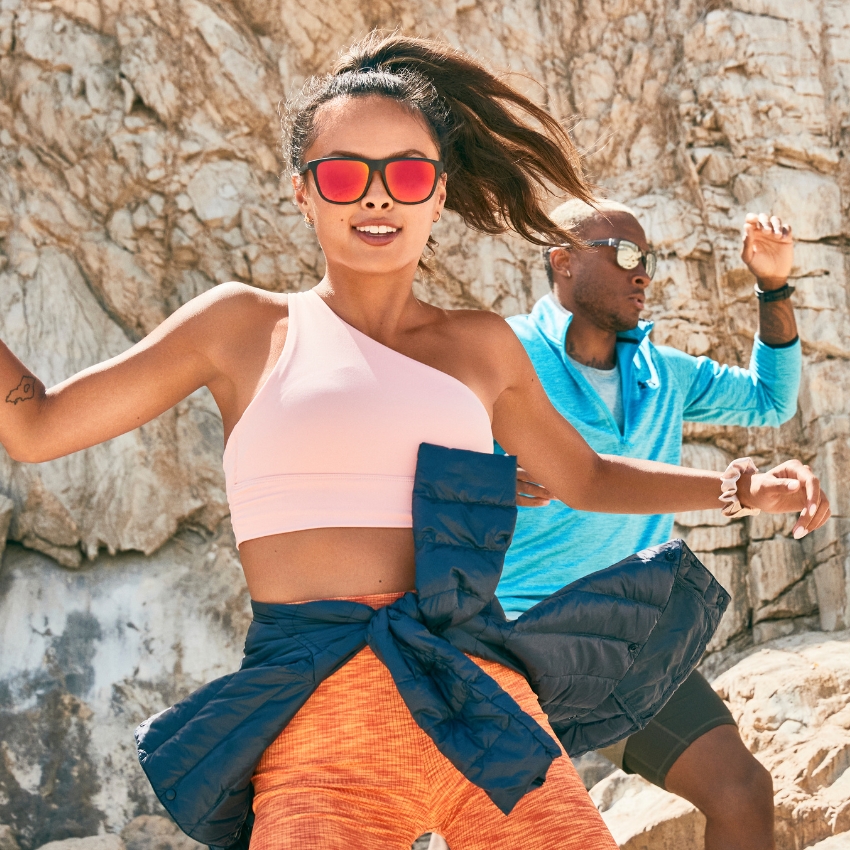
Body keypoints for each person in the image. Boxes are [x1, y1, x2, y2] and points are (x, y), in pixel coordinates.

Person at [0, 33, 829, 850]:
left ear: (437, 195)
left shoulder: (480, 346)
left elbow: (585, 476)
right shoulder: (245, 326)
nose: (376, 197)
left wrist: (739, 490)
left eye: (404, 174)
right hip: (319, 723)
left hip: (482, 709)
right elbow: (35, 426)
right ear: (302, 192)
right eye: (343, 174)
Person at [500, 197, 802, 850]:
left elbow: (771, 401)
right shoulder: (505, 354)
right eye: (625, 255)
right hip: (511, 647)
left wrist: (772, 283)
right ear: (563, 260)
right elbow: (407, 452)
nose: (644, 273)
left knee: (742, 791)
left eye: (650, 260)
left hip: (622, 642)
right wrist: (484, 477)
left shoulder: (662, 374)